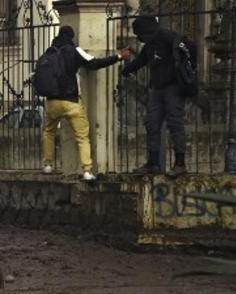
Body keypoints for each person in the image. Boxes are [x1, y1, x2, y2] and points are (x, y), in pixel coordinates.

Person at [41, 26, 132, 181]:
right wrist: (118, 56)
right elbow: (94, 63)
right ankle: (87, 171)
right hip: (71, 101)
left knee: (49, 132)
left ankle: (48, 165)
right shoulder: (73, 50)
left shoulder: (48, 52)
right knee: (82, 137)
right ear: (71, 36)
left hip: (51, 102)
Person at [121, 15, 196, 177]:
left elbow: (190, 47)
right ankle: (153, 163)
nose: (139, 38)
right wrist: (126, 69)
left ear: (146, 31)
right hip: (157, 88)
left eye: (139, 34)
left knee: (175, 123)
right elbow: (140, 61)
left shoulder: (167, 36)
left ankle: (180, 163)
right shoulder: (149, 45)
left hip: (173, 87)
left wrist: (187, 71)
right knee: (152, 124)